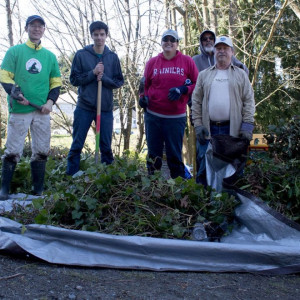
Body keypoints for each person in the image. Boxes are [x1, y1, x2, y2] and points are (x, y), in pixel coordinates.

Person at [0, 15, 62, 200]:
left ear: (44, 29)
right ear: (27, 28)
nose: (36, 29)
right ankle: (4, 190)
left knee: (42, 150)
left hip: (42, 111)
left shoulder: (50, 57)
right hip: (20, 111)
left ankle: (38, 190)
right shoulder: (15, 52)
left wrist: (50, 102)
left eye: (40, 26)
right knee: (13, 150)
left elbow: (56, 82)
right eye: (33, 26)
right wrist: (15, 93)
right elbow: (5, 76)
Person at [191, 36, 255, 185]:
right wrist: (198, 125)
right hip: (208, 131)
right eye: (218, 48)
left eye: (225, 48)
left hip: (233, 130)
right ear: (214, 52)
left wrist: (247, 126)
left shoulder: (241, 74)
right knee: (204, 169)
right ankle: (203, 204)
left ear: (232, 52)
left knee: (232, 170)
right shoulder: (204, 75)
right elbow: (196, 101)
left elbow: (249, 101)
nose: (222, 51)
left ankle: (229, 205)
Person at [66, 21, 124, 175]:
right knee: (77, 143)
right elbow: (74, 80)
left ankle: (106, 178)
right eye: (96, 34)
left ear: (106, 35)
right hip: (84, 107)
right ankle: (71, 176)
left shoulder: (112, 57)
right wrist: (92, 73)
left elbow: (119, 81)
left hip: (105, 108)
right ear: (91, 35)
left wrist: (104, 79)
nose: (99, 37)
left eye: (102, 34)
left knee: (105, 146)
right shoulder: (81, 55)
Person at [140, 29, 198, 179]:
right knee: (153, 156)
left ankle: (178, 190)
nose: (169, 43)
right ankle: (153, 187)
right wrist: (143, 98)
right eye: (166, 40)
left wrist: (183, 89)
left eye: (173, 40)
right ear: (161, 43)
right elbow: (144, 85)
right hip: (153, 116)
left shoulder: (187, 61)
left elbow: (198, 84)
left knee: (174, 156)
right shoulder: (152, 62)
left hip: (175, 118)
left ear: (177, 44)